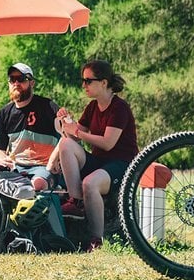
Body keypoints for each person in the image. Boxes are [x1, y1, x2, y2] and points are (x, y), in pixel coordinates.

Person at [50, 59, 139, 252]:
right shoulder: (92, 107)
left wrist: (78, 132)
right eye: (83, 81)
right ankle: (76, 201)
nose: (84, 85)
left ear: (104, 83)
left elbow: (108, 143)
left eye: (88, 81)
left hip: (122, 165)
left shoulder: (119, 108)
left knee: (90, 184)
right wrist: (66, 122)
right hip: (100, 163)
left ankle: (96, 239)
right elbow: (73, 138)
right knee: (65, 144)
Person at [0, 63, 61, 191]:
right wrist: (2, 160)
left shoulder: (48, 107)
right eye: (12, 79)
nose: (16, 83)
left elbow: (70, 136)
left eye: (21, 79)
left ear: (32, 83)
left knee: (37, 184)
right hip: (14, 167)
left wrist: (55, 159)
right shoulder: (5, 112)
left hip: (42, 167)